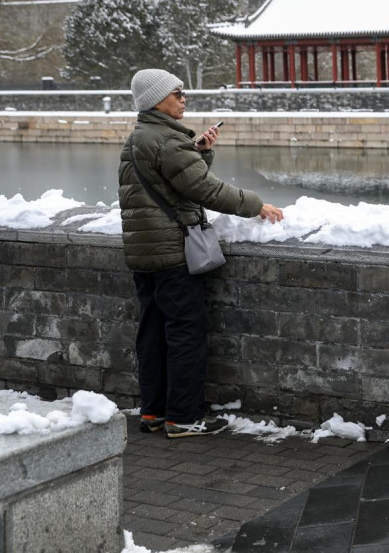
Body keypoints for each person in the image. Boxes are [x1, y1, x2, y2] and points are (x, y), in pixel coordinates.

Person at [119, 69, 284, 438]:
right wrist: (256, 205)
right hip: (173, 253)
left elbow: (175, 183)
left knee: (153, 333)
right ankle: (183, 417)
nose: (183, 98)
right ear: (156, 100)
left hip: (144, 252)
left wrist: (200, 154)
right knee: (185, 334)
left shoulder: (139, 138)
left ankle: (154, 412)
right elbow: (205, 191)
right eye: (177, 93)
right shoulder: (166, 140)